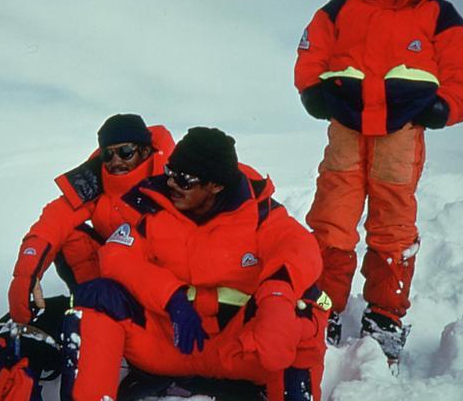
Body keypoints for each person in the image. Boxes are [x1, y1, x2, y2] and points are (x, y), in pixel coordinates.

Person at [294, 0, 463, 362]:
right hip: (346, 127)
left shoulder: (440, 17)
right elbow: (311, 52)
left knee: (392, 224)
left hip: (401, 134)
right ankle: (323, 306)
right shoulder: (339, 9)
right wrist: (311, 89)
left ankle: (385, 315)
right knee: (331, 218)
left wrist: (445, 106)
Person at [60, 127, 327, 401]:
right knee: (98, 296)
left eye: (184, 180)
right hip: (170, 344)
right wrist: (172, 299)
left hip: (240, 350)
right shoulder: (152, 206)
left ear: (216, 185)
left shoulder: (260, 214)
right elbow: (116, 257)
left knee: (305, 306)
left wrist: (276, 300)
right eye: (170, 172)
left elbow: (300, 248)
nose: (172, 184)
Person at [7, 113, 174, 324]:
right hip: (113, 276)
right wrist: (26, 275)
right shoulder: (96, 180)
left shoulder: (172, 181)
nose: (116, 161)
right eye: (108, 154)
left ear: (145, 151)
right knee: (69, 234)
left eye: (125, 152)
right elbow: (54, 220)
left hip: (164, 285)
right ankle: (91, 305)